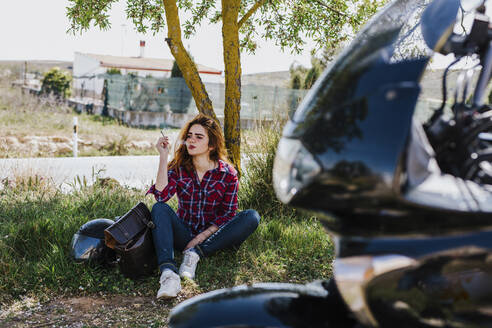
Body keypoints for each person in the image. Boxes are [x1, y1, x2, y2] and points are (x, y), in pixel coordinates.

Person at [147, 114, 260, 299]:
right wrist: (163, 156)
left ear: (212, 145)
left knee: (252, 217)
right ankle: (168, 274)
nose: (191, 139)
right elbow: (161, 195)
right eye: (190, 135)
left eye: (199, 137)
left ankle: (195, 254)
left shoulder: (227, 173)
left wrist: (199, 239)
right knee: (159, 209)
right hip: (183, 232)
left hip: (213, 236)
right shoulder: (179, 167)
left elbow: (228, 214)